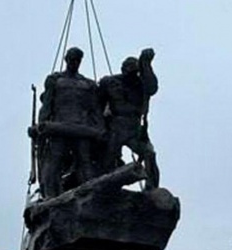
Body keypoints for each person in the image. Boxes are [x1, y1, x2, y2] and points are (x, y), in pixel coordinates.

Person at [34, 47, 104, 199]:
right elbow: (47, 105)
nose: (74, 62)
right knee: (54, 162)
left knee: (85, 162)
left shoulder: (88, 84)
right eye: (72, 59)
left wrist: (100, 129)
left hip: (82, 129)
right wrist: (42, 125)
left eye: (77, 60)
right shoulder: (55, 80)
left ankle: (92, 196)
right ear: (66, 60)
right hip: (59, 128)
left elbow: (95, 109)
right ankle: (50, 197)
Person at [98, 48, 160, 190]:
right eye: (129, 70)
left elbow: (152, 88)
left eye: (135, 71)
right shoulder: (110, 82)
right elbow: (98, 105)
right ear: (123, 69)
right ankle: (104, 188)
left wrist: (146, 63)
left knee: (149, 154)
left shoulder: (142, 85)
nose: (132, 74)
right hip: (115, 126)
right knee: (108, 161)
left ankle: (151, 188)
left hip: (135, 128)